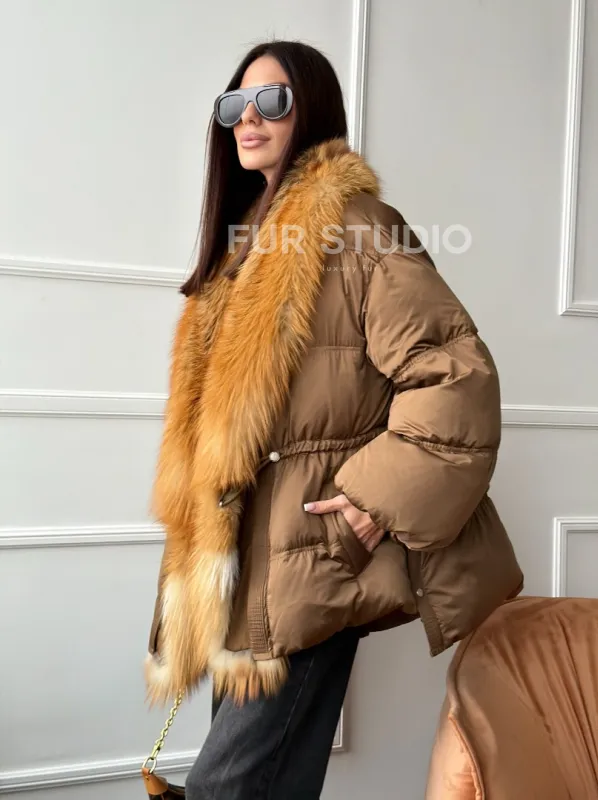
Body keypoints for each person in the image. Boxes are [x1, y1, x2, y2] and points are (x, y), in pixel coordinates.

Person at [143, 39, 524, 799]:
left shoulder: (358, 227)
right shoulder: (246, 247)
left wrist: (372, 504)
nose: (248, 118)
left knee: (231, 788)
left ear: (311, 109)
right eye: (235, 104)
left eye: (271, 100)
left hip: (313, 566)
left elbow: (455, 376)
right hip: (242, 568)